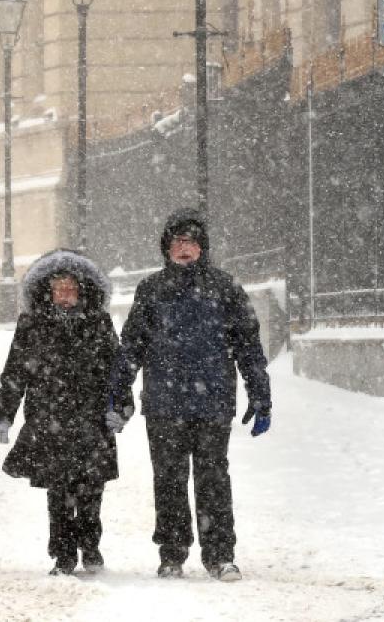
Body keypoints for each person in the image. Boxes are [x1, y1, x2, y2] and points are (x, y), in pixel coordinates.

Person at [105, 207, 272, 582]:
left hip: (213, 402)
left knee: (214, 477)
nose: (185, 248)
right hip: (164, 403)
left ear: (203, 248)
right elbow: (131, 346)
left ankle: (219, 555)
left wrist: (260, 394)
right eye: (178, 241)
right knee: (169, 479)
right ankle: (172, 553)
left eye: (192, 242)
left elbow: (248, 345)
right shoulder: (151, 290)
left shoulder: (225, 288)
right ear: (167, 248)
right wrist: (120, 392)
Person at [0, 250, 128, 576]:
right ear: (48, 291)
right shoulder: (32, 326)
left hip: (92, 421)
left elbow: (117, 373)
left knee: (91, 489)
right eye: (58, 288)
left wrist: (122, 409)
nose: (65, 295)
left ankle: (91, 544)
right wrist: (3, 415)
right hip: (49, 420)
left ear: (82, 290)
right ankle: (64, 554)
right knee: (59, 492)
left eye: (70, 288)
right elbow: (15, 373)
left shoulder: (99, 324)